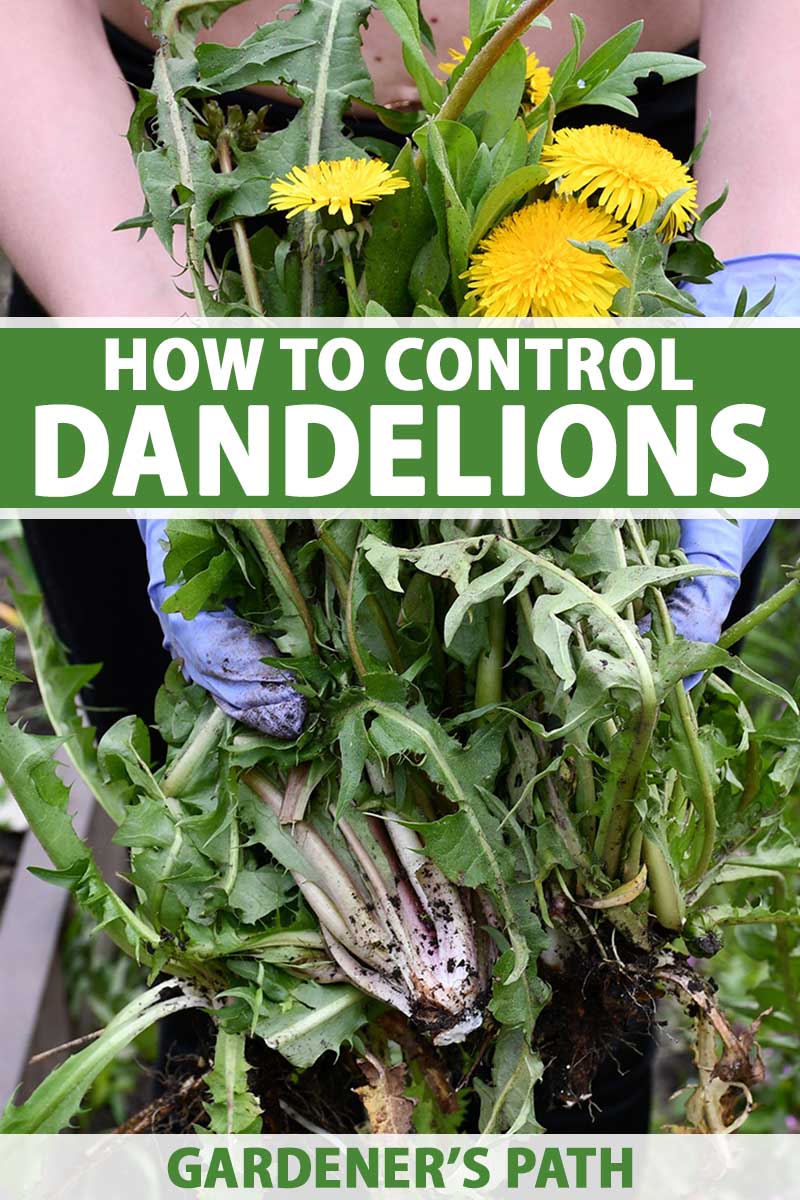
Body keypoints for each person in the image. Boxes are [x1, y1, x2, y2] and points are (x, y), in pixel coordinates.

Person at [2, 0, 795, 1131]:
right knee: (239, 912)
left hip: (620, 189)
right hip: (162, 184)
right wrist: (143, 341)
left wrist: (764, 250)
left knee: (587, 913)